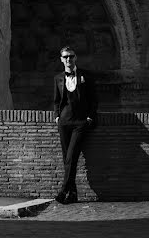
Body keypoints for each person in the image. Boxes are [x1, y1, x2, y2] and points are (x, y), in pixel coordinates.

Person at [53, 46, 97, 204]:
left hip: (80, 122)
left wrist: (90, 117)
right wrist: (57, 116)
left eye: (71, 56)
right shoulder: (58, 78)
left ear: (75, 57)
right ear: (61, 59)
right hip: (64, 122)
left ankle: (63, 190)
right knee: (67, 159)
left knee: (71, 156)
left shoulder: (86, 76)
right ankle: (72, 195)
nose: (68, 59)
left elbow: (93, 99)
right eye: (65, 57)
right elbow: (57, 100)